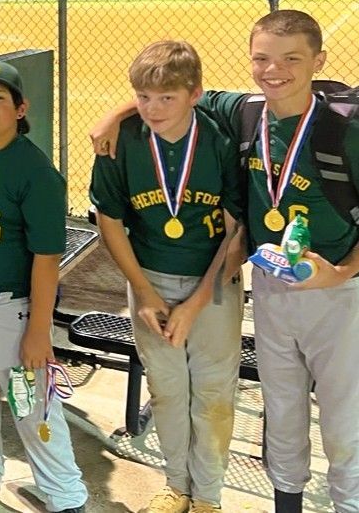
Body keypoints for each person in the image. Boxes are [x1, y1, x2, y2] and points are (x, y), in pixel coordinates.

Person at [91, 11, 359, 513]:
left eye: (290, 59)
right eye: (261, 59)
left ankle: (225, 497)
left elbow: (176, 94)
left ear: (319, 62)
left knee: (341, 422)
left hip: (328, 291)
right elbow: (161, 89)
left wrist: (344, 271)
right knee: (273, 411)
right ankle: (197, 489)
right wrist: (115, 114)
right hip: (270, 287)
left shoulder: (337, 127)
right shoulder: (244, 112)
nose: (272, 70)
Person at [90, 42, 243, 513]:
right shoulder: (123, 140)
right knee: (169, 389)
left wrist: (196, 302)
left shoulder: (220, 138)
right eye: (143, 97)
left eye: (167, 98)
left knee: (214, 392)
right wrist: (144, 291)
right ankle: (177, 485)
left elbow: (238, 229)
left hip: (214, 281)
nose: (153, 109)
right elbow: (109, 222)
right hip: (149, 279)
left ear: (194, 93)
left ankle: (209, 497)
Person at [0, 61, 89, 513]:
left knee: (33, 406)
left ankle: (67, 496)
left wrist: (39, 331)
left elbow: (47, 260)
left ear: (21, 107)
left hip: (12, 308)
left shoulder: (36, 173)